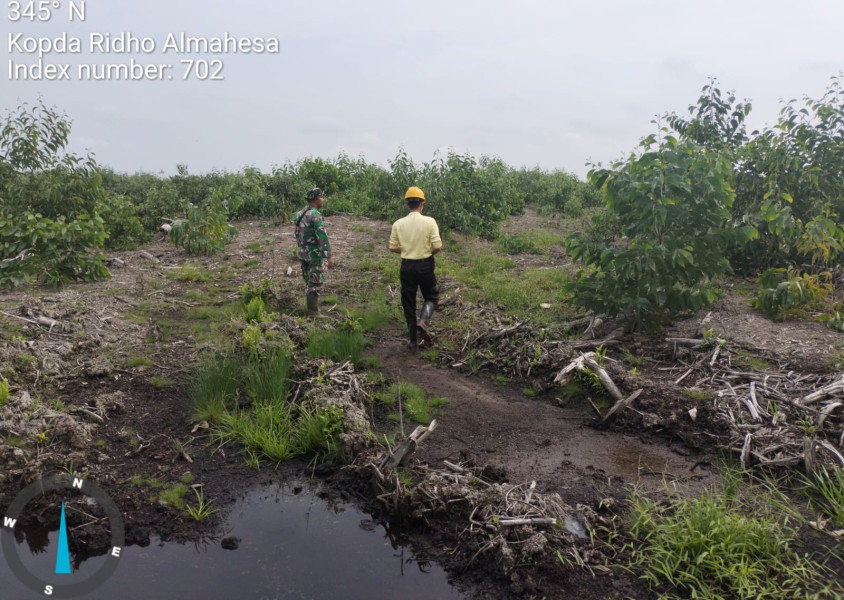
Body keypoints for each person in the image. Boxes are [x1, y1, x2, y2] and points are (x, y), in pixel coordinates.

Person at [389, 186, 442, 350]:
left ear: (407, 204)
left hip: (407, 266)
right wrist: (427, 252)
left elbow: (392, 247)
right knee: (431, 297)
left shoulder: (398, 224)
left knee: (408, 302)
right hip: (425, 265)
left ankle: (413, 340)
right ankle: (424, 321)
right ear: (422, 204)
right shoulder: (430, 221)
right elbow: (438, 246)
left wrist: (406, 250)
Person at [294, 187, 333, 316]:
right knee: (315, 281)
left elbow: (297, 233)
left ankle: (311, 310)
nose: (323, 200)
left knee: (308, 280)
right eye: (322, 197)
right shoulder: (315, 215)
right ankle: (313, 313)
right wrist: (328, 256)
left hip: (302, 253)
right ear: (316, 199)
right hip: (314, 254)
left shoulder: (299, 214)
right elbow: (321, 237)